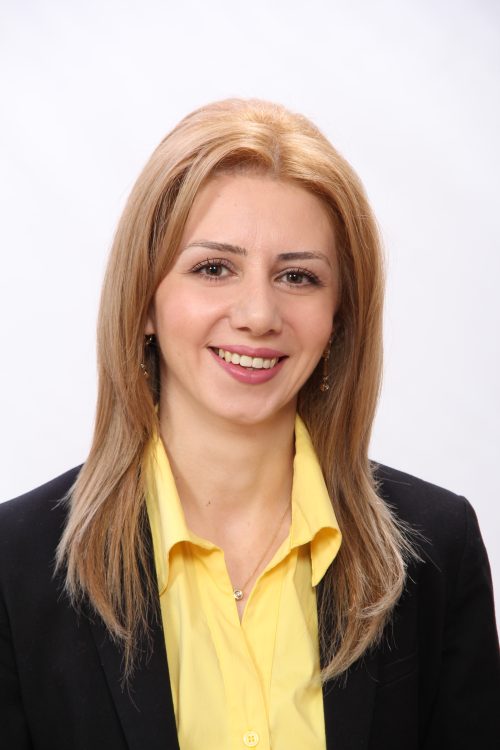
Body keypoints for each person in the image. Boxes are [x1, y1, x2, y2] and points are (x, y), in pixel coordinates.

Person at [0, 98, 499, 750]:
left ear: (338, 319)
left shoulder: (436, 552)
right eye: (214, 268)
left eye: (298, 276)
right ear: (144, 300)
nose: (259, 314)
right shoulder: (14, 567)